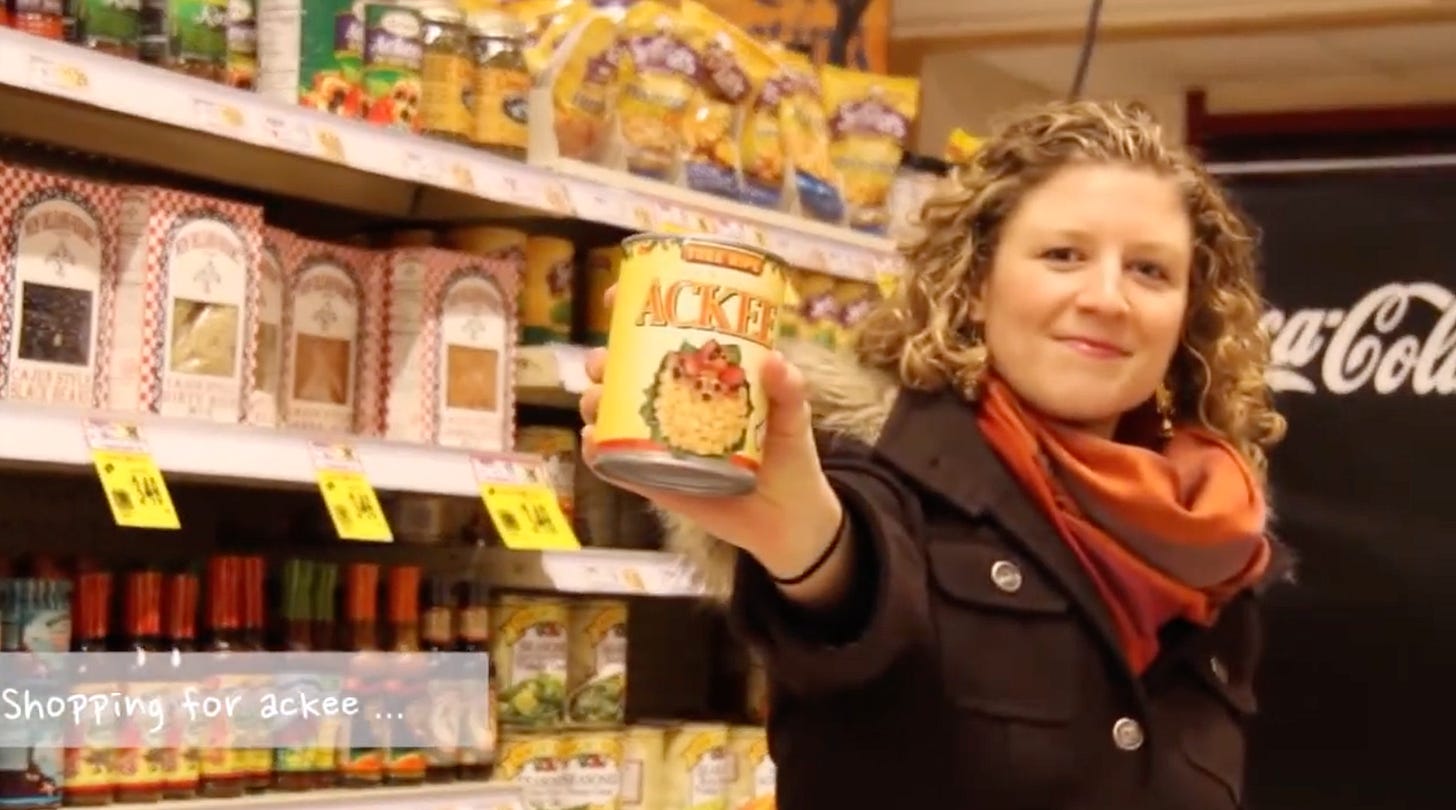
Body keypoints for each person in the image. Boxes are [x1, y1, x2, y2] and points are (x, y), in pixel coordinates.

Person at [578, 99, 1295, 810]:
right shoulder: (886, 465)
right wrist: (804, 540)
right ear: (976, 287)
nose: (1108, 297)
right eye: (1063, 255)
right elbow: (851, 580)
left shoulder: (1210, 539)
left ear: (1188, 314)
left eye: (1150, 271)